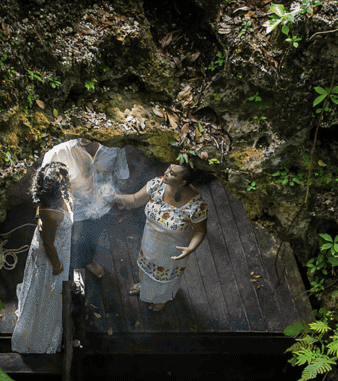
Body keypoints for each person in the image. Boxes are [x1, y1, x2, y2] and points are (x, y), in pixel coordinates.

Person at [113, 163, 209, 312]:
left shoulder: (196, 206)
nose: (166, 173)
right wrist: (114, 197)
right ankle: (145, 287)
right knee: (146, 269)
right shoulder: (157, 184)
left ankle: (162, 298)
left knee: (164, 279)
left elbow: (200, 231)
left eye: (172, 173)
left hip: (172, 250)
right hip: (150, 240)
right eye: (168, 169)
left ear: (183, 182)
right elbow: (134, 199)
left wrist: (191, 248)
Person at [41, 139, 129, 279]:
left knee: (92, 240)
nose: (84, 136)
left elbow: (122, 174)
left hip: (102, 208)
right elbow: (44, 186)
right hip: (75, 213)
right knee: (71, 244)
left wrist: (118, 197)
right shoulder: (59, 152)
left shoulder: (114, 147)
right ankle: (72, 269)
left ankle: (88, 261)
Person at [11, 162, 73, 354]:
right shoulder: (50, 210)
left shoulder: (48, 202)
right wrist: (58, 265)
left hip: (56, 243)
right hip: (52, 255)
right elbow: (48, 244)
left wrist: (40, 223)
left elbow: (39, 216)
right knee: (47, 293)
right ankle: (39, 336)